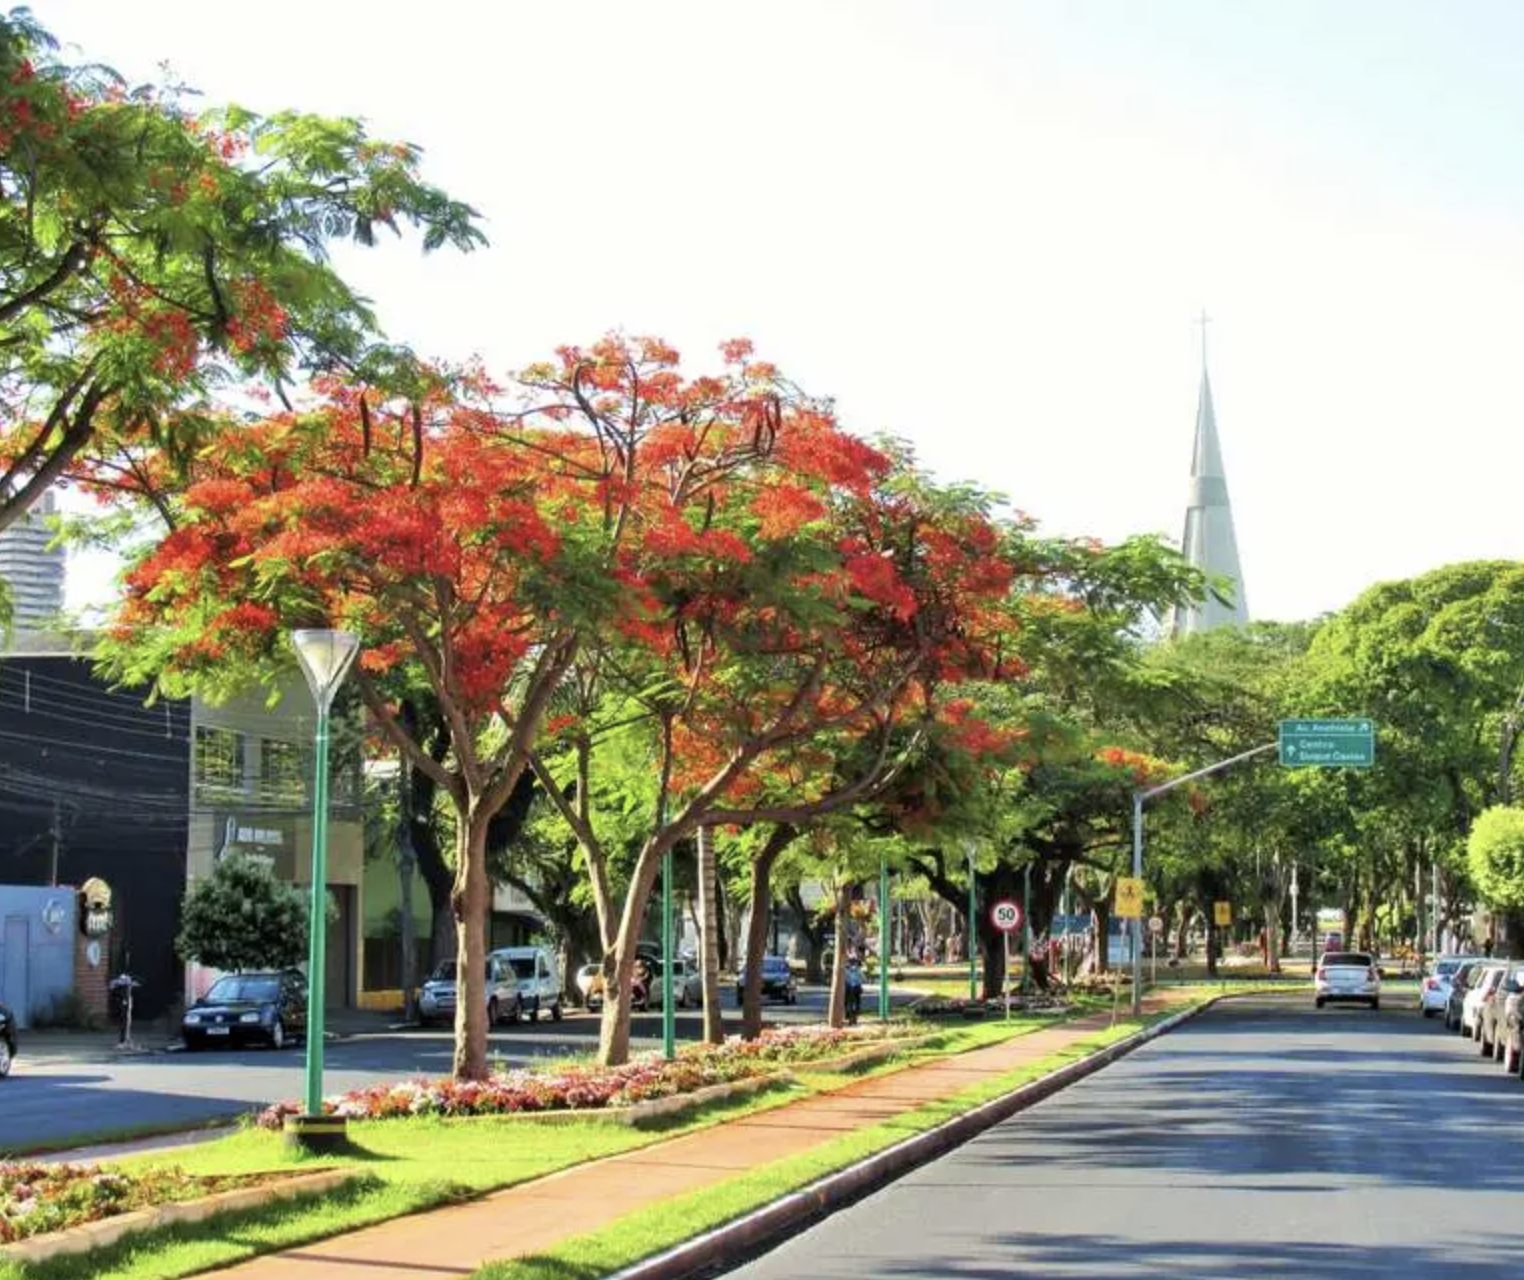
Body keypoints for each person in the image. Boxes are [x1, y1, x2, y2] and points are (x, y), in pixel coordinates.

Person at [844, 953, 864, 1024]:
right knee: (853, 1002)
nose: (852, 963)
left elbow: (862, 978)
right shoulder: (856, 970)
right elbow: (863, 978)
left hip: (852, 988)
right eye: (851, 961)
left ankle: (851, 1015)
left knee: (852, 1002)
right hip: (851, 988)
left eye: (853, 961)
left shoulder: (847, 969)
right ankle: (852, 1014)